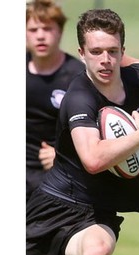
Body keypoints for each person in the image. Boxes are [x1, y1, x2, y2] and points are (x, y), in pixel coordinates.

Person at [26, 8, 139, 255]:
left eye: (112, 51)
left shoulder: (137, 77)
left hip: (97, 209)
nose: (105, 60)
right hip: (53, 204)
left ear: (122, 51)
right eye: (96, 52)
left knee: (97, 251)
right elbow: (93, 160)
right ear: (82, 53)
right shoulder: (79, 97)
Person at [26, 0, 86, 202]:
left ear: (60, 31)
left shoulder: (78, 77)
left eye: (47, 28)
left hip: (58, 178)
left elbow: (95, 132)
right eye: (33, 29)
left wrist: (63, 156)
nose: (40, 35)